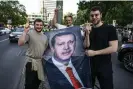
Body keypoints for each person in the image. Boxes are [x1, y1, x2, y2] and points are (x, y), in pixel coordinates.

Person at [84, 6, 118, 89]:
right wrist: (87, 33)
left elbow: (114, 48)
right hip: (90, 66)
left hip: (104, 66)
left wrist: (95, 53)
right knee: (88, 87)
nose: (94, 17)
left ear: (101, 15)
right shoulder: (89, 29)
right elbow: (86, 45)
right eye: (92, 16)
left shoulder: (110, 28)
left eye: (96, 15)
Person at [18, 19, 50, 89]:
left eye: (41, 25)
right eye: (37, 25)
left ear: (43, 26)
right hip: (31, 63)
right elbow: (20, 43)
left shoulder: (45, 37)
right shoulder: (30, 33)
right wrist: (25, 32)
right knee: (29, 85)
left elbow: (46, 50)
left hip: (40, 63)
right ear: (34, 25)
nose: (39, 26)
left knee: (37, 83)